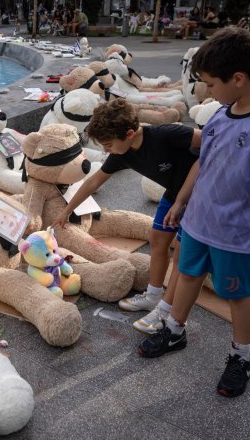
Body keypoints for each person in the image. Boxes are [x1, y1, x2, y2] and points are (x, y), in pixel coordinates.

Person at [137, 28, 250, 398]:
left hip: (236, 233)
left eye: (211, 84)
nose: (207, 91)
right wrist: (181, 201)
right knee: (187, 274)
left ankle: (241, 355)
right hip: (198, 223)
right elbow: (202, 163)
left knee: (238, 292)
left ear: (238, 79)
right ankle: (175, 331)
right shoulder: (220, 115)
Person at [53, 98, 201, 334]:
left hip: (202, 196)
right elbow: (93, 181)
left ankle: (166, 309)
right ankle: (153, 295)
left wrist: (185, 199)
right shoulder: (122, 152)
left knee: (183, 253)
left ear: (130, 133)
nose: (105, 150)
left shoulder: (165, 134)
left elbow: (211, 141)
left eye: (108, 144)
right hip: (175, 194)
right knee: (158, 238)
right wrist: (66, 211)